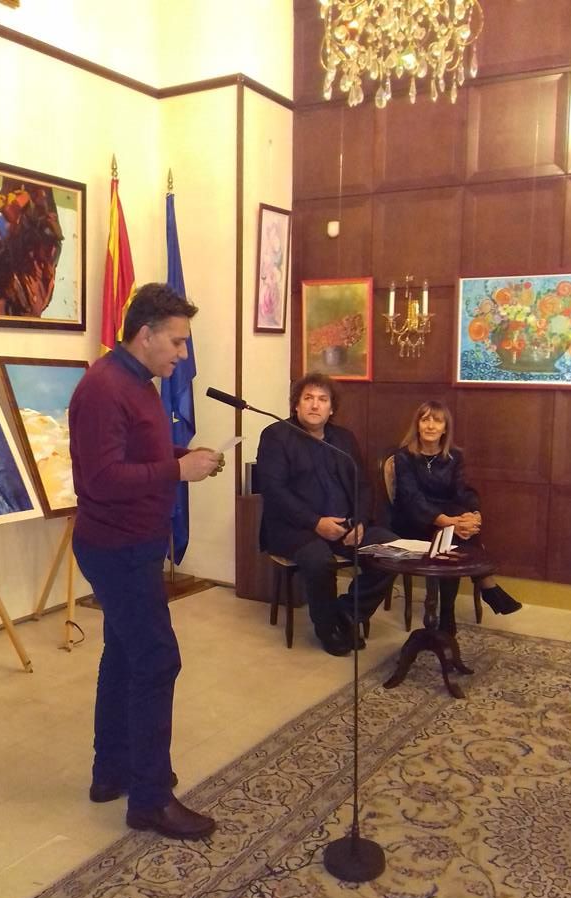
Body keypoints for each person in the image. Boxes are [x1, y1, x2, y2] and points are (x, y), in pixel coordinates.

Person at [69, 282, 223, 839]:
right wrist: (177, 471)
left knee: (125, 655)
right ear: (144, 334)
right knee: (157, 660)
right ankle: (150, 801)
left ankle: (112, 771)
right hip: (117, 548)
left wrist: (184, 456)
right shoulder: (103, 388)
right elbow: (102, 479)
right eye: (177, 342)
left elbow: (140, 455)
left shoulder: (138, 383)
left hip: (135, 543)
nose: (182, 354)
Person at [256, 372, 398, 656]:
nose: (314, 405)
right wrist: (316, 523)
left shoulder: (343, 438)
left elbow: (363, 485)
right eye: (308, 398)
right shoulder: (276, 436)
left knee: (392, 550)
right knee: (319, 560)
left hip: (345, 525)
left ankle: (345, 613)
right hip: (295, 529)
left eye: (322, 399)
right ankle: (327, 629)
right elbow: (274, 491)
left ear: (331, 408)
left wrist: (360, 521)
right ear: (296, 404)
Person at [389, 399, 521, 635]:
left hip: (448, 517)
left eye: (437, 421)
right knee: (453, 534)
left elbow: (463, 491)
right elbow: (411, 499)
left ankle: (450, 612)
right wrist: (449, 522)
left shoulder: (454, 456)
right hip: (413, 519)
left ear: (445, 428)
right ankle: (485, 586)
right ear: (417, 425)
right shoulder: (404, 457)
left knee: (458, 533)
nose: (430, 426)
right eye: (425, 420)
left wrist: (474, 514)